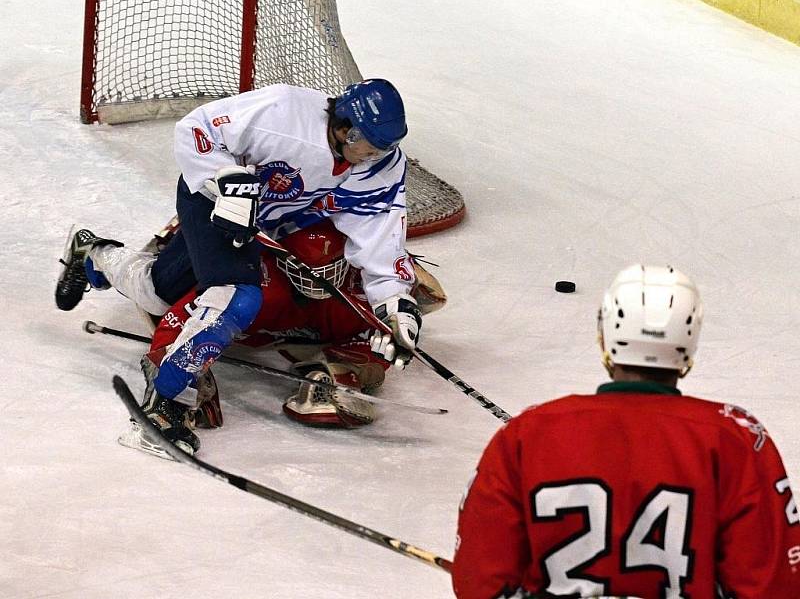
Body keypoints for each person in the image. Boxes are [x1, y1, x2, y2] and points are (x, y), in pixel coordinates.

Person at [55, 79, 424, 455]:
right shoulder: (282, 111)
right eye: (375, 144)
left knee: (156, 290)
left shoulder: (382, 164)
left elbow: (379, 233)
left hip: (265, 224)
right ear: (347, 128)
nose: (382, 154)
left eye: (389, 145)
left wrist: (394, 303)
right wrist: (227, 182)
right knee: (233, 296)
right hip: (212, 200)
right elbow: (195, 129)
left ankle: (93, 255)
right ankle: (163, 407)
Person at [452, 265, 800, 598]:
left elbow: (479, 581)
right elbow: (773, 587)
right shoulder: (735, 439)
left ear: (605, 337)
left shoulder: (526, 435)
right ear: (690, 342)